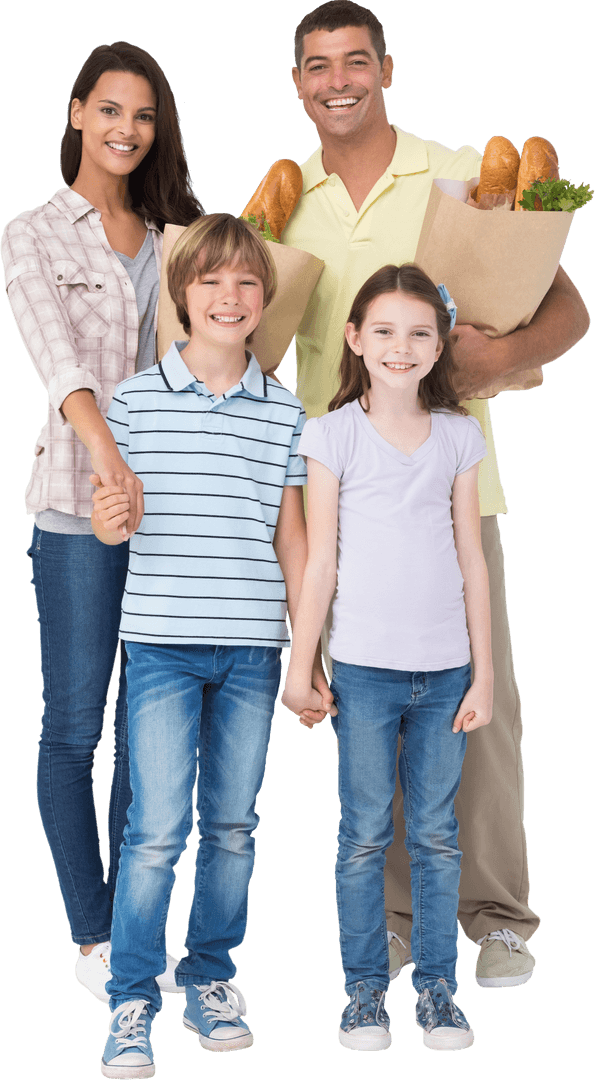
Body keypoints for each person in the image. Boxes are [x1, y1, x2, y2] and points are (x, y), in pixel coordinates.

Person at [280, 0, 590, 988]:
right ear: (298, 83)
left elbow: (568, 305)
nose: (338, 79)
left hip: (457, 481)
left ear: (386, 70)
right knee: (376, 706)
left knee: (478, 712)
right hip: (339, 498)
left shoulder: (454, 175)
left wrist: (500, 353)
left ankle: (498, 918)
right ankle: (406, 923)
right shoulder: (283, 207)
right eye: (318, 65)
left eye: (355, 61)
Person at [91, 213, 332, 1077]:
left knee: (232, 826)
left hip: (252, 649)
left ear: (265, 299)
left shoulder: (284, 413)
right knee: (155, 830)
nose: (228, 297)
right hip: (158, 643)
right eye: (209, 281)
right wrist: (107, 515)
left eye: (245, 283)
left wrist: (303, 658)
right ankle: (129, 998)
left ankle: (212, 977)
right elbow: (109, 513)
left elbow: (294, 543)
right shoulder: (134, 399)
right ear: (180, 295)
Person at [1, 42, 205, 1003]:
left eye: (145, 116)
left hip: (170, 519)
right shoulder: (33, 233)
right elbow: (61, 368)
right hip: (80, 510)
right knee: (75, 726)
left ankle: (133, 934)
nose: (128, 130)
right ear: (78, 112)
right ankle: (92, 938)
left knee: (149, 735)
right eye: (111, 110)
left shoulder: (178, 237)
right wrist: (113, 469)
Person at [282, 264, 491, 1050]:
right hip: (364, 673)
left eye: (418, 333)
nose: (400, 348)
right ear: (353, 339)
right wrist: (301, 668)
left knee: (436, 836)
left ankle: (438, 991)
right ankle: (365, 993)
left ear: (439, 345)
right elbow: (321, 564)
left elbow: (472, 561)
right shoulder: (329, 435)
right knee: (363, 835)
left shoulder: (459, 436)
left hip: (444, 677)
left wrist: (487, 676)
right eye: (383, 332)